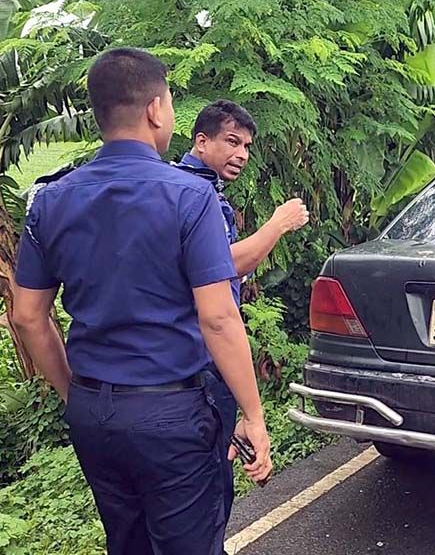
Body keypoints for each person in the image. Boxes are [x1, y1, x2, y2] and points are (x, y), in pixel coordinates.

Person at [11, 48, 272, 554]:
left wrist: (75, 393)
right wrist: (254, 416)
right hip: (171, 415)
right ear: (156, 108)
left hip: (94, 413)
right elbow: (217, 317)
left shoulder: (50, 199)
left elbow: (26, 316)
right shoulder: (190, 197)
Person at [176, 99, 308, 525]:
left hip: (185, 363)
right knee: (208, 492)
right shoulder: (195, 195)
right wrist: (278, 223)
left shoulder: (186, 187)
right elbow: (227, 264)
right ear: (201, 140)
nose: (242, 154)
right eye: (232, 141)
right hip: (203, 357)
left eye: (247, 146)